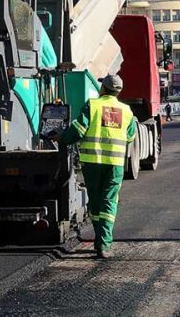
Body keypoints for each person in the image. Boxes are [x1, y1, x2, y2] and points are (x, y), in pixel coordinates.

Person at [52, 74, 138, 259]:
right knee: (109, 201)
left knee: (96, 201)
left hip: (92, 163)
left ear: (103, 89)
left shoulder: (93, 105)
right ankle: (104, 244)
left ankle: (101, 240)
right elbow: (130, 137)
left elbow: (79, 130)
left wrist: (62, 138)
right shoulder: (127, 111)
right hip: (114, 165)